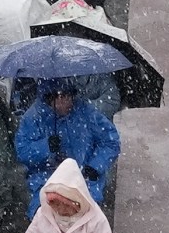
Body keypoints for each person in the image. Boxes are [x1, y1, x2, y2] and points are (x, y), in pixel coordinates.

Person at [13, 81, 119, 211]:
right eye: (64, 97)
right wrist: (45, 147)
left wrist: (94, 166)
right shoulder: (33, 118)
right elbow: (22, 153)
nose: (69, 102)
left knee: (86, 219)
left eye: (71, 96)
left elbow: (110, 141)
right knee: (46, 219)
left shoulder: (85, 111)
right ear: (53, 98)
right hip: (46, 181)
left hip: (84, 180)